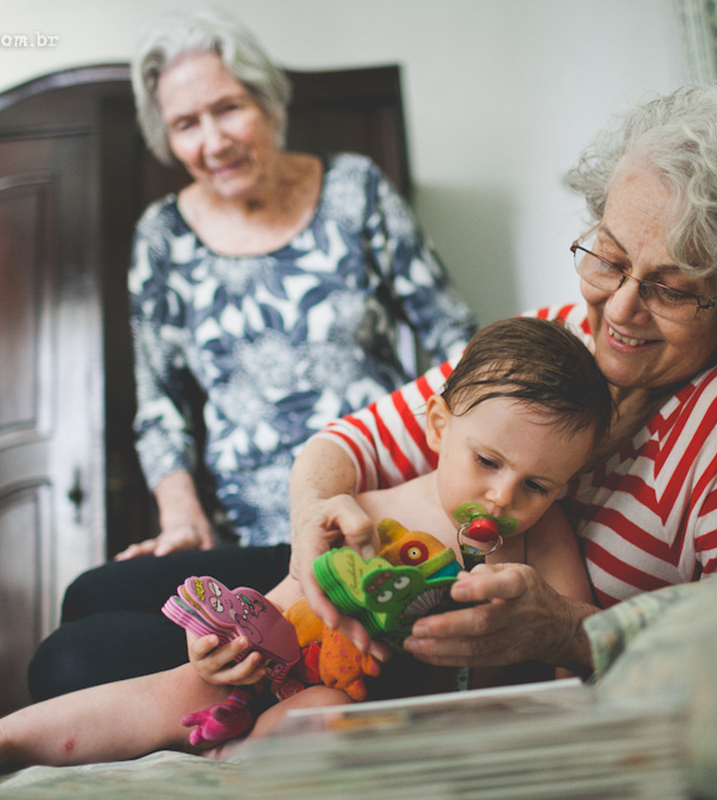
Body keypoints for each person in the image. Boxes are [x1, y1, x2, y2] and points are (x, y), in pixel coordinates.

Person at [288, 82, 717, 669]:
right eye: (610, 259)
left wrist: (568, 631)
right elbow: (348, 444)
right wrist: (313, 514)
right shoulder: (555, 336)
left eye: (673, 290)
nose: (619, 310)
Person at [0, 317, 613, 784]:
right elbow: (278, 617)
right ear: (436, 425)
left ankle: (234, 765)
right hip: (289, 668)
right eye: (487, 461)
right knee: (179, 691)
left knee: (321, 720)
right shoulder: (371, 512)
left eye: (538, 485)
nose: (503, 498)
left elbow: (573, 639)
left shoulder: (538, 537)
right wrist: (222, 653)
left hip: (369, 711)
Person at [27, 9, 475, 699]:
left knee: (75, 664)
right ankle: (257, 680)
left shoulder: (355, 190)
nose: (213, 142)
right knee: (88, 598)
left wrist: (453, 495)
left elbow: (456, 344)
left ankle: (266, 684)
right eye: (185, 124)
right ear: (166, 137)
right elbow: (162, 402)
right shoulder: (164, 236)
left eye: (228, 109)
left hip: (363, 522)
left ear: (267, 100)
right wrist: (182, 519)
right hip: (252, 541)